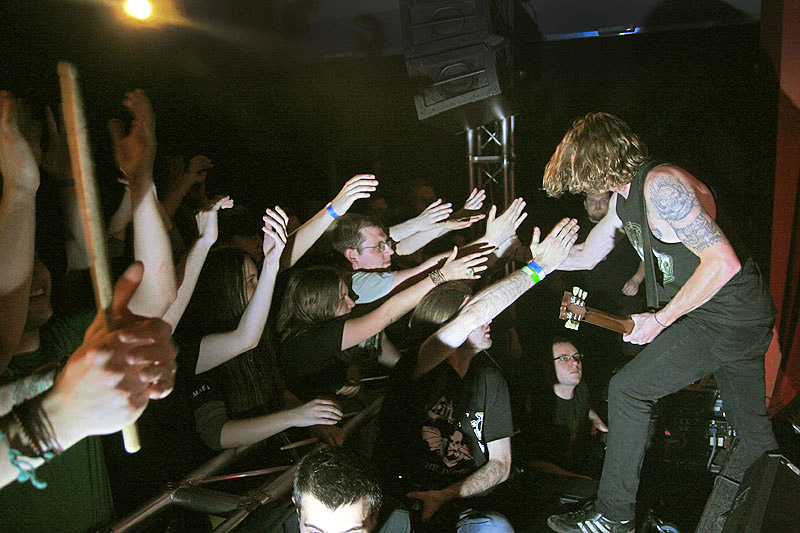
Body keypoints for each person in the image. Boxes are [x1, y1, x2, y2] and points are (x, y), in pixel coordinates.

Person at [542, 112, 776, 533]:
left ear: (598, 160)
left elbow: (723, 261)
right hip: (729, 316)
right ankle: (782, 505)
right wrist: (534, 259)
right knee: (753, 432)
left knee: (628, 389)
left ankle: (614, 517)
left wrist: (661, 319)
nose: (582, 187)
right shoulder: (623, 199)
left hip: (726, 314)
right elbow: (587, 256)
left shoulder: (662, 186)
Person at [375, 217, 579, 531]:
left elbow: (501, 464)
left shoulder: (489, 378)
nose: (490, 319)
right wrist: (540, 268)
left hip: (459, 503)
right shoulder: (421, 364)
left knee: (497, 526)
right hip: (401, 503)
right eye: (484, 311)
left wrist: (447, 494)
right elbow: (474, 313)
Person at [515, 337, 607, 503]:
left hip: (577, 470)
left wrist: (594, 418)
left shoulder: (581, 390)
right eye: (564, 358)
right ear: (548, 366)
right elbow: (534, 462)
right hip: (547, 484)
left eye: (577, 357)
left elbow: (583, 406)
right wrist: (582, 480)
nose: (574, 363)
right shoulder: (539, 404)